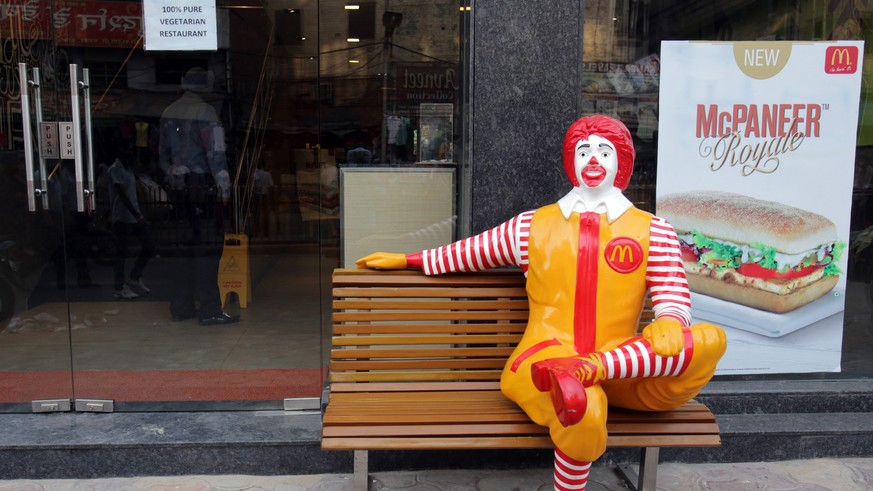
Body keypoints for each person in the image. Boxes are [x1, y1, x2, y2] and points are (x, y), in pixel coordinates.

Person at [356, 115, 727, 491]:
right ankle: (576, 396)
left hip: (623, 367)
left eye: (604, 151)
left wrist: (670, 320)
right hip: (543, 363)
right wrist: (409, 259)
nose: (593, 159)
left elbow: (672, 294)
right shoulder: (531, 226)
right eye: (583, 151)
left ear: (622, 162)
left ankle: (590, 367)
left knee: (710, 339)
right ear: (572, 162)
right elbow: (469, 251)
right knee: (584, 408)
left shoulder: (654, 230)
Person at [159, 67, 238, 325]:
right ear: (207, 86)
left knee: (182, 248)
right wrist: (224, 188)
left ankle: (180, 306)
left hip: (176, 186)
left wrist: (171, 175)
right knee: (207, 249)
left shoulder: (168, 112)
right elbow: (216, 153)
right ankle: (209, 309)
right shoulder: (206, 112)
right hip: (201, 185)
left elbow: (161, 153)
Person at [108, 156, 155, 299]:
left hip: (134, 216)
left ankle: (135, 276)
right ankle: (119, 286)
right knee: (121, 252)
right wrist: (136, 214)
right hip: (122, 216)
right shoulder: (115, 169)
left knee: (149, 246)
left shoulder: (129, 169)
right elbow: (122, 194)